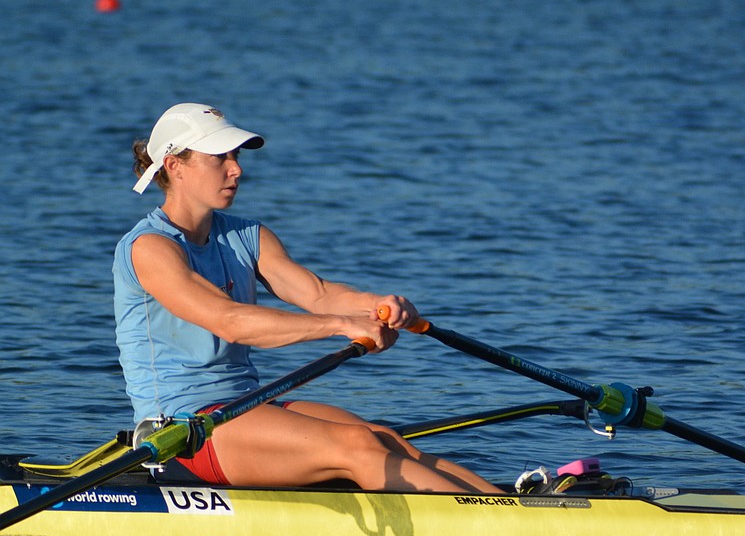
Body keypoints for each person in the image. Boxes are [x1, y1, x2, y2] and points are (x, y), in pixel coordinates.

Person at [113, 102, 503, 494]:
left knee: (382, 438)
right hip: (182, 432)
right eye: (220, 158)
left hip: (243, 406)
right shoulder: (151, 247)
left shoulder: (247, 235)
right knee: (358, 447)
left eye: (235, 156)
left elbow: (317, 293)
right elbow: (228, 321)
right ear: (174, 166)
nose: (237, 169)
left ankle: (505, 506)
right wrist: (342, 326)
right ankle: (493, 527)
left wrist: (379, 306)